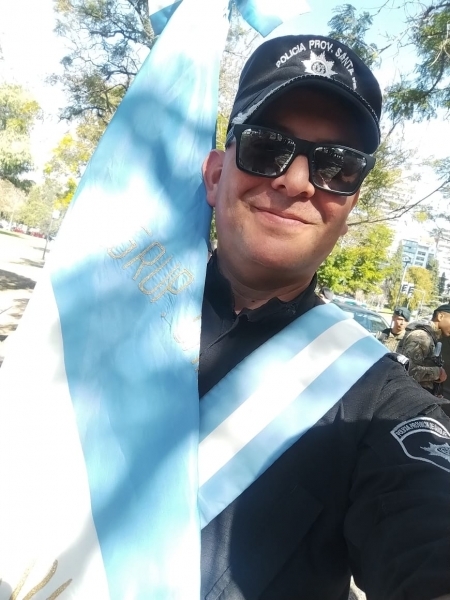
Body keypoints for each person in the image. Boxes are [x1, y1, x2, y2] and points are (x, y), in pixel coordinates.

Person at [199, 34, 450, 600]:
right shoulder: (107, 315)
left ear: (349, 207)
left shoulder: (379, 401)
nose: (297, 181)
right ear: (216, 175)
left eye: (337, 165)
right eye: (266, 147)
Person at [400, 304, 450, 394]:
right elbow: (406, 371)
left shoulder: (433, 338)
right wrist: (438, 373)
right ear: (440, 317)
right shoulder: (421, 336)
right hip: (409, 396)